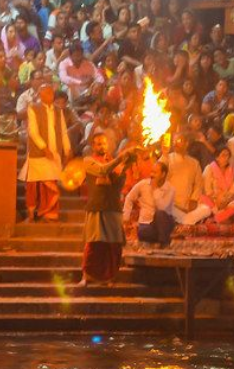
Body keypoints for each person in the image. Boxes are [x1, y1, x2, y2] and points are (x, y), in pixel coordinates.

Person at [80, 132, 137, 286]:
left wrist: (126, 164)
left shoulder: (113, 162)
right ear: (93, 146)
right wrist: (120, 159)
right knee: (94, 243)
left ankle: (109, 277)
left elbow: (118, 184)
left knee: (113, 245)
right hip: (97, 206)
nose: (102, 146)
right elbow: (102, 170)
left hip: (112, 206)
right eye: (99, 143)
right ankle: (87, 276)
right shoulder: (88, 161)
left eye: (104, 143)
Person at [23, 82, 72, 222]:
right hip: (38, 154)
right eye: (47, 92)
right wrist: (44, 149)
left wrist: (67, 149)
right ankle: (32, 213)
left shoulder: (58, 110)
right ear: (40, 95)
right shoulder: (33, 108)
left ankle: (49, 214)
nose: (51, 95)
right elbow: (33, 132)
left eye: (51, 92)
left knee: (50, 185)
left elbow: (63, 131)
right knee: (34, 186)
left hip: (54, 153)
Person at [123, 161, 176, 247]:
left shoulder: (170, 189)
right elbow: (129, 198)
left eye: (155, 172)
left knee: (160, 214)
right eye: (151, 171)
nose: (151, 175)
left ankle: (163, 243)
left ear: (163, 174)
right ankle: (162, 238)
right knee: (142, 233)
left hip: (165, 222)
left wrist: (155, 190)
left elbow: (162, 207)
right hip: (147, 223)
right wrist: (126, 217)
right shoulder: (143, 184)